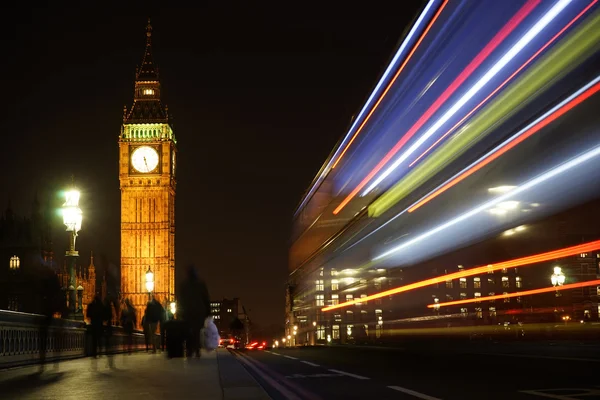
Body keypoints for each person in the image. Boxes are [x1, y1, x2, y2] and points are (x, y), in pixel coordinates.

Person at [178, 265, 211, 358]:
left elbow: (180, 299)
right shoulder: (201, 284)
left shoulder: (183, 285)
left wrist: (180, 312)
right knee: (197, 331)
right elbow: (206, 298)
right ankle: (196, 349)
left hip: (187, 311)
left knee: (188, 330)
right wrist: (208, 312)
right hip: (199, 311)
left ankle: (189, 349)